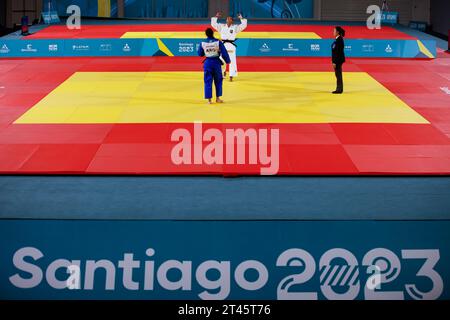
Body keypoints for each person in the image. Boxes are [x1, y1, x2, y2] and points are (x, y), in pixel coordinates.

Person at [198, 28, 231, 104]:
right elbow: (224, 53)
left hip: (208, 63)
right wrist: (228, 61)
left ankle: (209, 100)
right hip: (216, 63)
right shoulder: (218, 42)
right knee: (218, 81)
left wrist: (206, 52)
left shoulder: (203, 43)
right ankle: (218, 98)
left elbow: (200, 54)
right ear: (213, 33)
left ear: (206, 34)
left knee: (207, 81)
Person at [211, 12, 247, 82]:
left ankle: (231, 75)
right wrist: (216, 16)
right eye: (227, 18)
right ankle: (222, 73)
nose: (228, 19)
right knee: (221, 60)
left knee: (232, 61)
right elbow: (213, 24)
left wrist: (241, 18)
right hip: (223, 45)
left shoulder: (235, 27)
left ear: (232, 21)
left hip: (231, 46)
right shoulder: (221, 26)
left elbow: (243, 26)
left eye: (230, 18)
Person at [331, 26, 346, 94]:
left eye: (334, 31)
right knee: (337, 74)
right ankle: (339, 88)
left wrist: (334, 62)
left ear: (337, 32)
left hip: (338, 60)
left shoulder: (339, 40)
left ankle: (339, 89)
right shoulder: (338, 39)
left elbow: (338, 53)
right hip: (338, 60)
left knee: (338, 74)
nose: (333, 32)